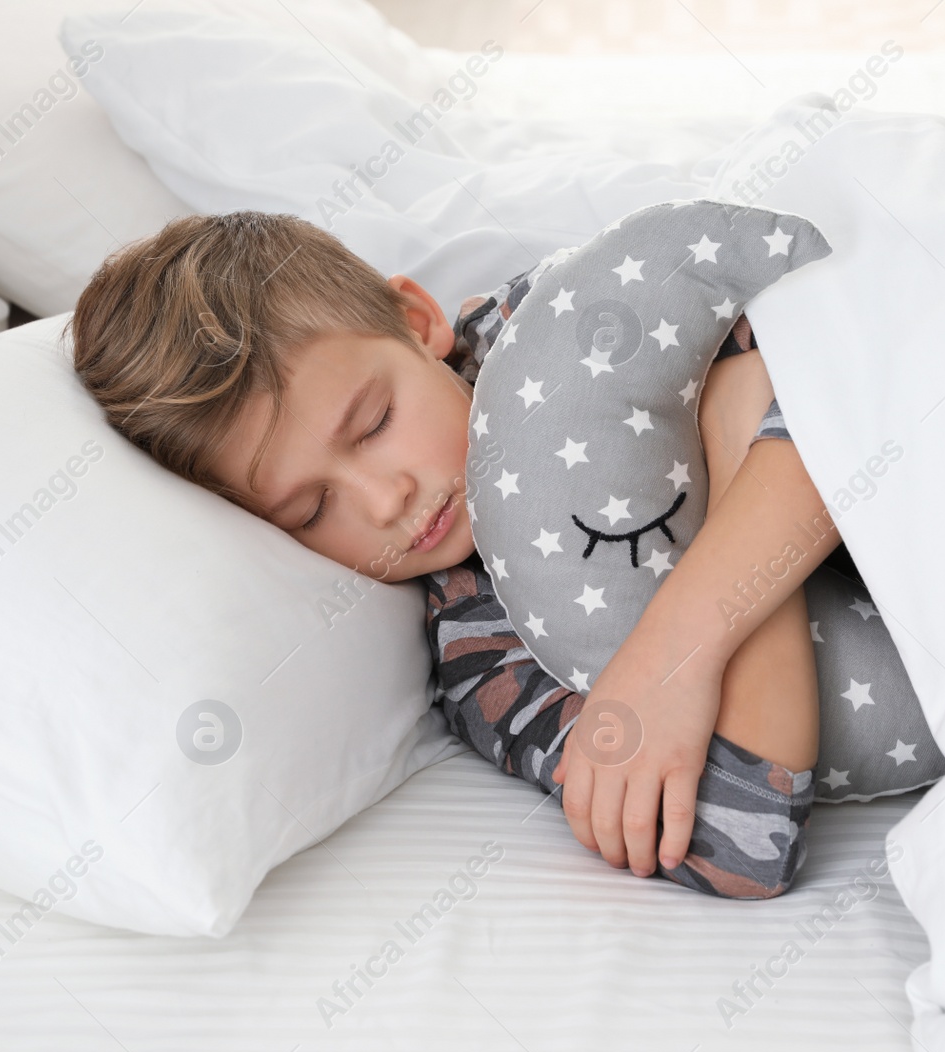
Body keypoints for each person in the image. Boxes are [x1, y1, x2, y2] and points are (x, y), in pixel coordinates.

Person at [68, 210, 849, 899]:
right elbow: (743, 848)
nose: (384, 499)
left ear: (417, 320)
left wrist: (680, 642)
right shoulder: (482, 650)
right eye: (311, 511)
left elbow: (859, 340)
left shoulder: (569, 327)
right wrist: (731, 439)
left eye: (373, 422)